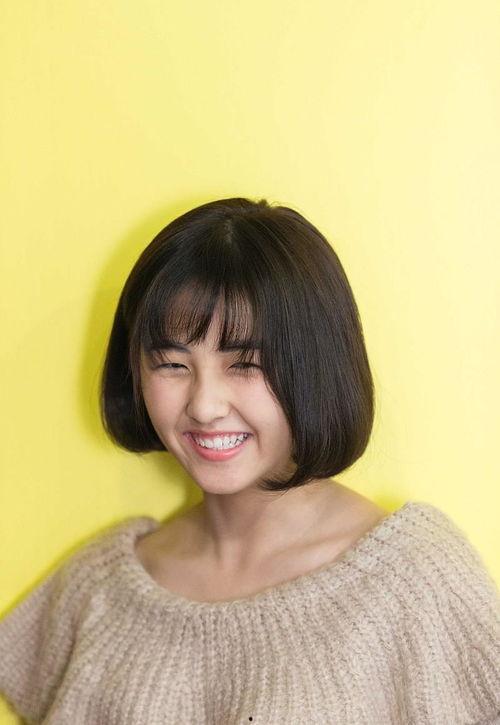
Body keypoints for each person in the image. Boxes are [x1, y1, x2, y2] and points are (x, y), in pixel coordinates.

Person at [0, 197, 498, 724]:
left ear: (316, 365)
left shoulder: (414, 579)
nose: (204, 406)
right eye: (171, 364)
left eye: (245, 363)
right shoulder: (98, 589)